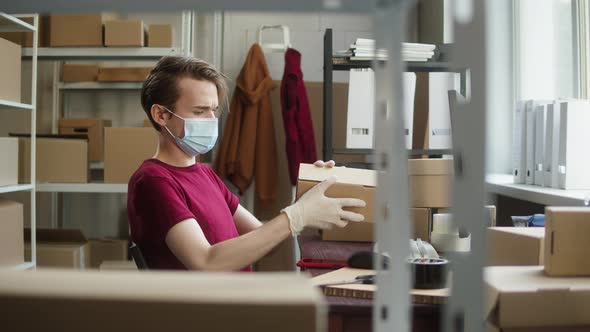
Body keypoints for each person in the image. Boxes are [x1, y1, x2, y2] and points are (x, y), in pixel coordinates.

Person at [127, 55, 366, 271]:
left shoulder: (204, 174)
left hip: (233, 304)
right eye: (200, 112)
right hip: (203, 316)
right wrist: (296, 216)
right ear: (161, 115)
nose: (212, 121)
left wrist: (306, 199)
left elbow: (265, 242)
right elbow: (206, 262)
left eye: (214, 110)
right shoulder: (153, 181)